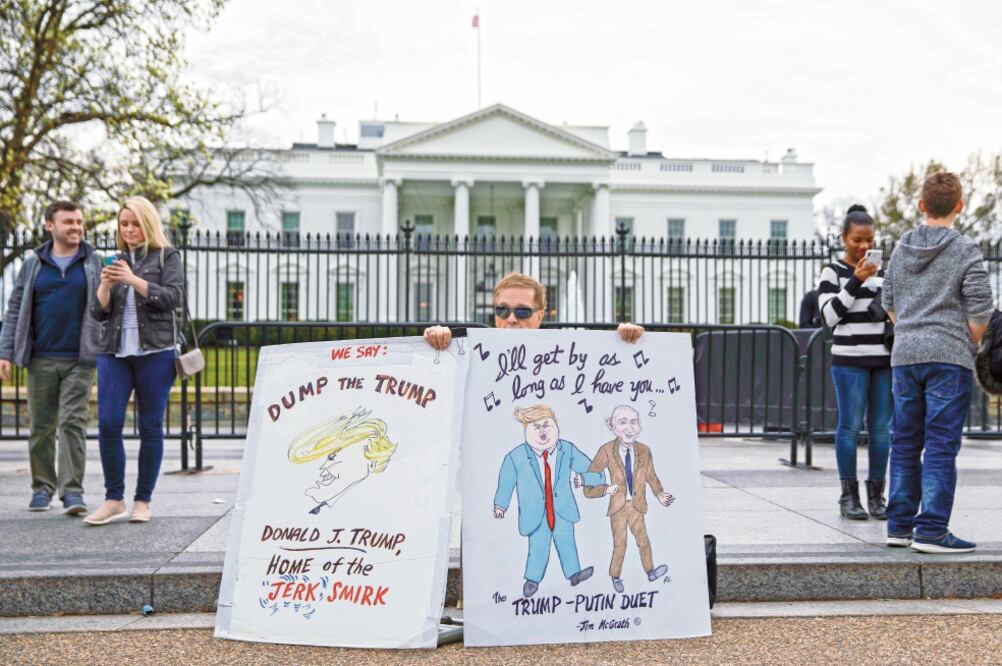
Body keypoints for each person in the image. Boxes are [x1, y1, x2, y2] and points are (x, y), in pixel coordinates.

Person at [883, 172, 993, 554]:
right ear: (960, 206)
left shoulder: (901, 248)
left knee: (905, 442)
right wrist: (965, 340)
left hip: (905, 355)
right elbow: (981, 307)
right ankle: (930, 528)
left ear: (921, 206)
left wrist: (912, 332)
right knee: (941, 444)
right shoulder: (965, 249)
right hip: (948, 356)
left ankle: (898, 525)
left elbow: (889, 301)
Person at [83, 196, 183, 526]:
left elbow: (171, 298)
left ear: (149, 223)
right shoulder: (112, 259)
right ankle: (114, 499)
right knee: (108, 424)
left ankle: (143, 500)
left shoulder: (167, 256)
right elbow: (98, 312)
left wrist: (133, 280)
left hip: (156, 352)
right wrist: (105, 286)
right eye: (123, 223)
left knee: (151, 426)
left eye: (135, 223)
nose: (129, 229)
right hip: (114, 352)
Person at [0, 201, 102, 514]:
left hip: (79, 358)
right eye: (69, 222)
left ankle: (72, 492)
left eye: (79, 222)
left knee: (73, 423)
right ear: (50, 225)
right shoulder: (33, 263)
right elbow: (15, 308)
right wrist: (4, 352)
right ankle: (42, 488)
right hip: (40, 357)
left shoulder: (93, 260)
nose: (76, 227)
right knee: (42, 426)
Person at [817, 205, 891, 521]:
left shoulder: (884, 273)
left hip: (884, 360)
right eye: (857, 240)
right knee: (848, 427)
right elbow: (829, 317)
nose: (864, 247)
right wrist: (855, 281)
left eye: (870, 240)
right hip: (849, 360)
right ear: (844, 238)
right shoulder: (832, 272)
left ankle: (877, 496)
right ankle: (849, 497)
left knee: (880, 430)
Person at [493, 404, 604, 599]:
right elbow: (506, 481)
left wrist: (584, 479)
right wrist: (501, 504)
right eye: (536, 427)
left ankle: (574, 574)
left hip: (563, 510)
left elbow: (595, 470)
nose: (542, 432)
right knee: (538, 547)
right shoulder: (516, 457)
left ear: (556, 426)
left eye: (547, 425)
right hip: (535, 514)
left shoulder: (566, 449)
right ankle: (532, 580)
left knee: (567, 543)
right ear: (526, 430)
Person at [422, 272, 644, 350]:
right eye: (502, 310)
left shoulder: (563, 352)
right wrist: (439, 339)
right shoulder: (469, 349)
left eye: (522, 312)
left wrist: (625, 339)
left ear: (539, 316)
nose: (511, 319)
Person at [583, 405, 675, 593]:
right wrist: (605, 489)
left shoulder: (644, 450)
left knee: (644, 540)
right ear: (612, 426)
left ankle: (651, 571)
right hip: (618, 507)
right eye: (623, 422)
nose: (629, 428)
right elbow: (590, 480)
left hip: (636, 505)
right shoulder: (606, 450)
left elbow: (651, 476)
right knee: (620, 544)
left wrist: (660, 493)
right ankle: (615, 576)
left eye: (634, 422)